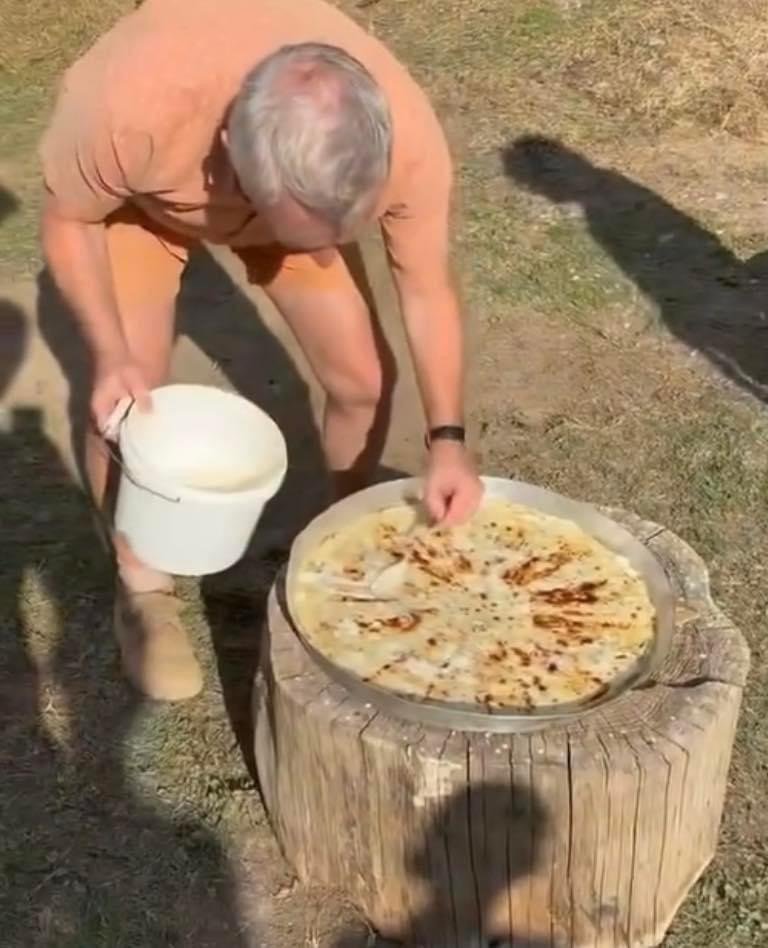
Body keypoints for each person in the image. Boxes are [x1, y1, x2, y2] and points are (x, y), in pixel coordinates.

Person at [40, 0, 482, 702]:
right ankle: (141, 587)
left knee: (365, 380)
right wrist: (109, 351)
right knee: (128, 398)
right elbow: (69, 220)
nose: (330, 250)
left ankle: (330, 552)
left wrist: (448, 440)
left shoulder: (405, 140)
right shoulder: (132, 101)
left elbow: (427, 291)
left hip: (281, 204)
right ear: (230, 159)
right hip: (141, 208)